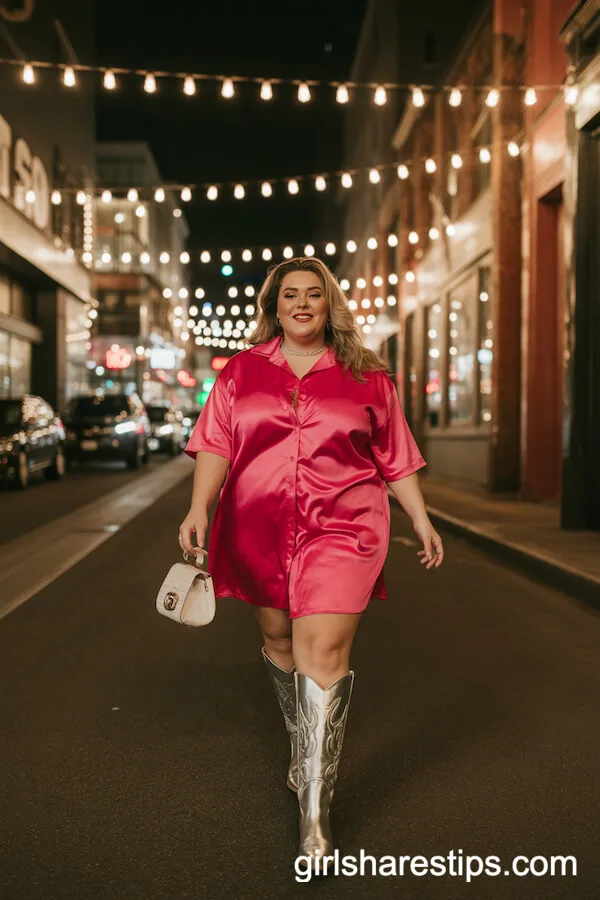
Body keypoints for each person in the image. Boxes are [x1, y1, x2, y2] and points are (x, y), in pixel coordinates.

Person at [179, 257, 444, 870]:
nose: (302, 304)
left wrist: (420, 518)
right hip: (256, 524)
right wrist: (200, 507)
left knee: (320, 651)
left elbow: (395, 454)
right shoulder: (241, 372)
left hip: (344, 527)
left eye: (314, 296)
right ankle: (305, 743)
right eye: (290, 295)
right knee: (278, 641)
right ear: (274, 306)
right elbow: (216, 442)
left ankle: (316, 813)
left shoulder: (366, 376)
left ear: (330, 306)